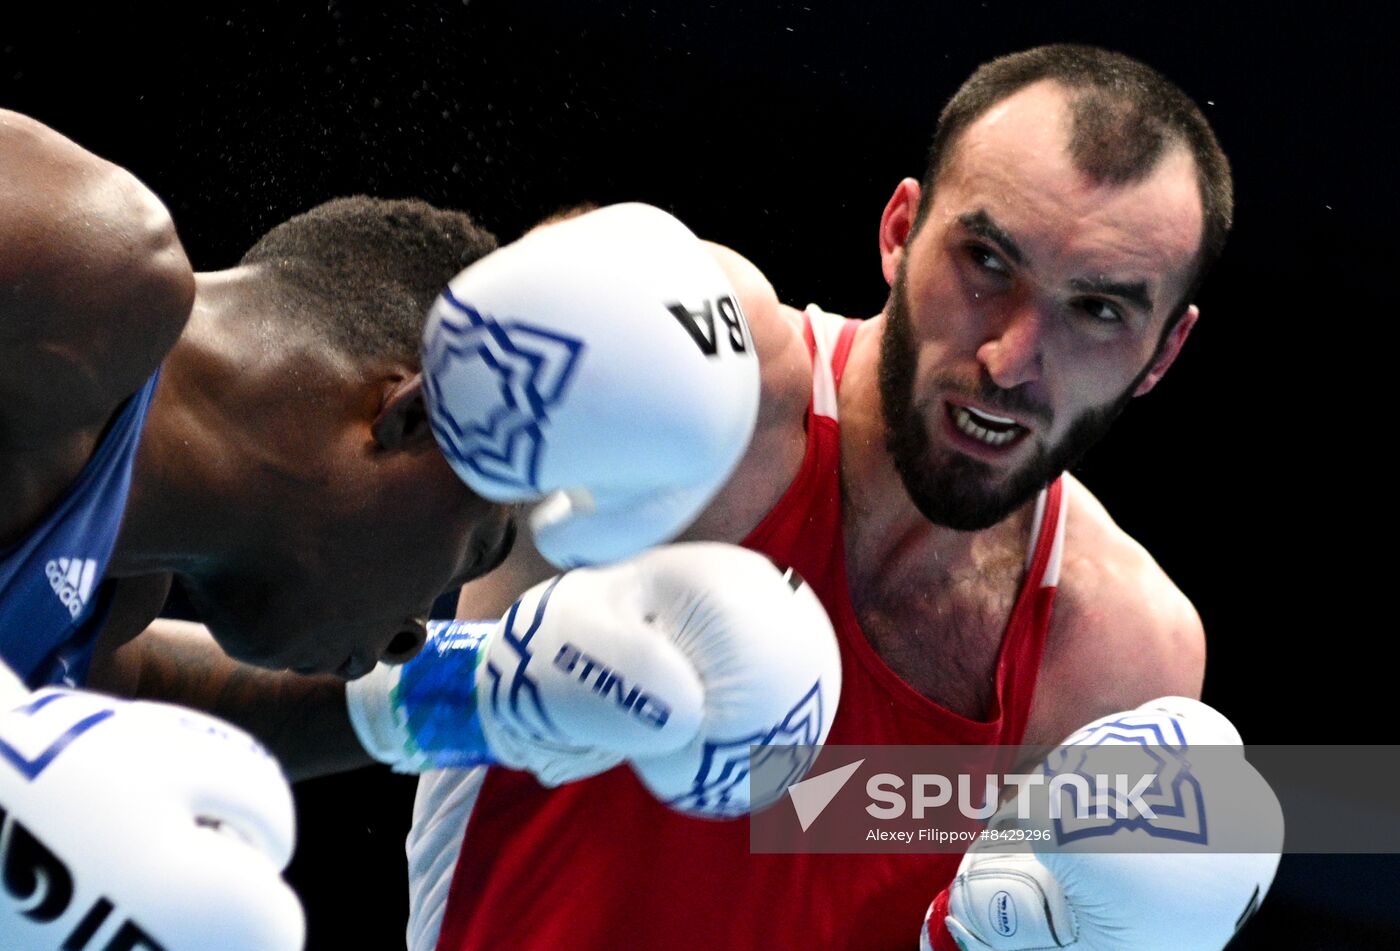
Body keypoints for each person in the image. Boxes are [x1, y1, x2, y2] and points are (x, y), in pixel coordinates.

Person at [401, 44, 1278, 951]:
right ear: (900, 230)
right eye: (986, 261)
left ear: (1163, 353)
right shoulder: (713, 395)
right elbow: (330, 622)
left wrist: (971, 937)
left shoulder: (1115, 657)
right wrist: (509, 678)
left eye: (1097, 310)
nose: (1012, 359)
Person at [0, 115, 843, 949]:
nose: (411, 631)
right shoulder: (93, 268)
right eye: (478, 547)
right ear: (408, 419)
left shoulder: (104, 597)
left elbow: (121, 698)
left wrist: (488, 696)